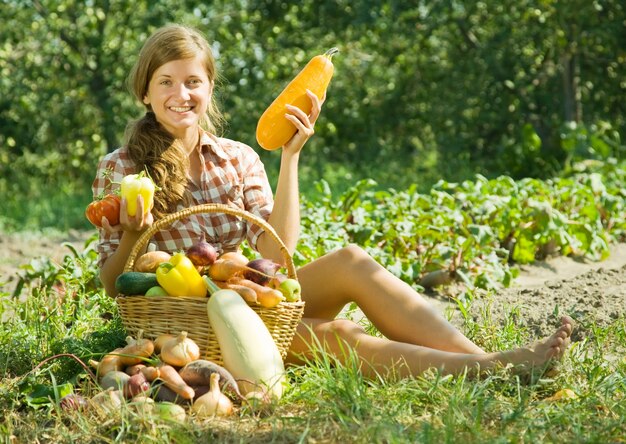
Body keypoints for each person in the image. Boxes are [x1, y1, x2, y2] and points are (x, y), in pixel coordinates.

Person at [92, 24, 574, 380]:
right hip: (188, 328)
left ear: (209, 87)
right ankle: (488, 371)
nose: (182, 94)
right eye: (167, 82)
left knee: (351, 260)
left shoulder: (237, 158)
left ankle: (491, 362)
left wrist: (290, 158)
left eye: (193, 81)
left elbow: (277, 255)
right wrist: (135, 232)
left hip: (253, 300)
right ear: (145, 92)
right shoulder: (122, 168)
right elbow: (114, 286)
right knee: (336, 334)